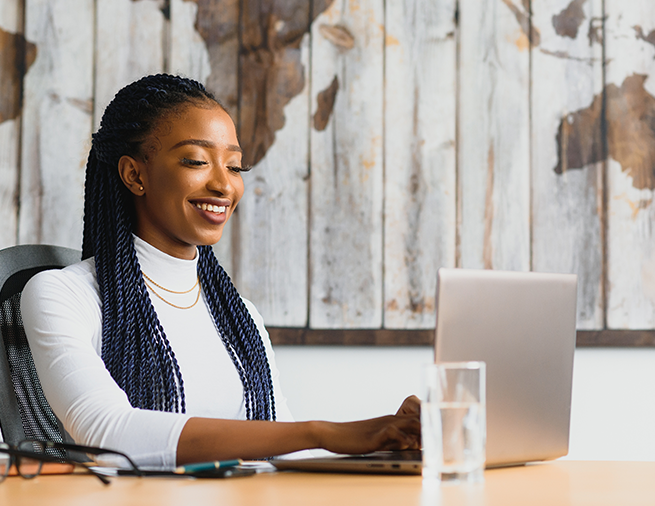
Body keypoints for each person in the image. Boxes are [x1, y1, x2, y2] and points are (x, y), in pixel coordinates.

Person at [21, 74, 420, 469]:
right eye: (196, 160)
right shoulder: (62, 295)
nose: (223, 185)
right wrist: (321, 432)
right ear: (135, 175)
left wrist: (388, 441)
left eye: (234, 167)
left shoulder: (240, 315)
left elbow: (284, 448)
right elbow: (109, 434)